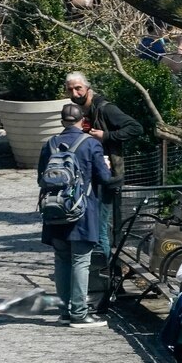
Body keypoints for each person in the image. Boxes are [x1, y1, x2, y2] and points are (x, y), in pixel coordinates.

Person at [38, 102, 113, 329]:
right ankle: (80, 314)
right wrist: (107, 166)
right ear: (83, 121)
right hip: (82, 212)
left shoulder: (50, 144)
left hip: (54, 210)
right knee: (81, 261)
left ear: (62, 122)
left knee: (61, 260)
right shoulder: (90, 144)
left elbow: (40, 177)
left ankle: (64, 311)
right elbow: (104, 178)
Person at [64, 72, 144, 259]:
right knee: (90, 225)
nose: (75, 94)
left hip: (106, 177)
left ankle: (105, 274)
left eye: (78, 88)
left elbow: (136, 128)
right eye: (70, 90)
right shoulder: (80, 111)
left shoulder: (106, 109)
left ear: (88, 88)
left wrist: (106, 136)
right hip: (87, 178)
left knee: (99, 228)